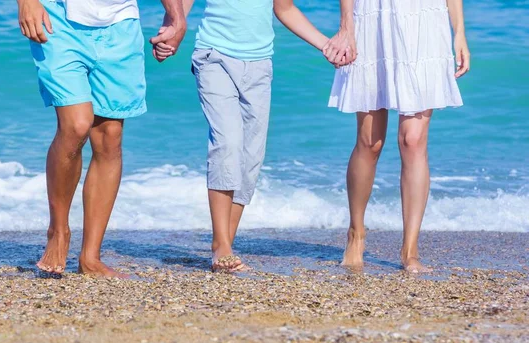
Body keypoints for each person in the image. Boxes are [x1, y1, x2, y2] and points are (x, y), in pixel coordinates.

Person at [154, 0, 331, 271]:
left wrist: (325, 45)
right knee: (228, 143)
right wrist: (171, 31)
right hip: (214, 58)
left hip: (260, 67)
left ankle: (224, 245)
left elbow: (284, 8)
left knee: (251, 160)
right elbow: (182, 4)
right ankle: (222, 246)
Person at [17, 0, 186, 276]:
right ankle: (58, 231)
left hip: (121, 25)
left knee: (110, 136)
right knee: (76, 126)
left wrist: (175, 16)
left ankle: (90, 257)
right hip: (57, 19)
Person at [324, 0, 471, 273]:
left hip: (424, 21)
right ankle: (356, 233)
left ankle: (410, 249)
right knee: (370, 141)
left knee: (413, 140)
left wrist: (459, 31)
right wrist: (347, 25)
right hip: (372, 16)